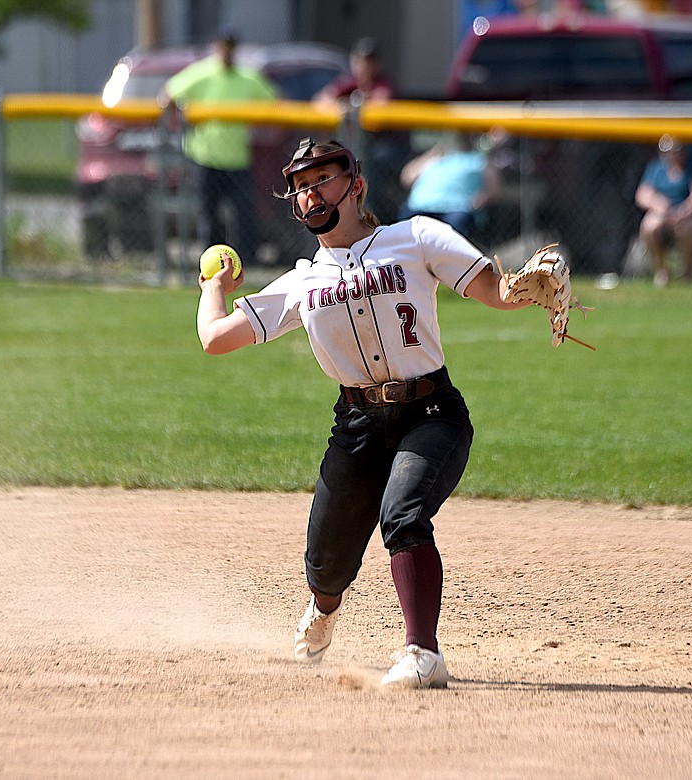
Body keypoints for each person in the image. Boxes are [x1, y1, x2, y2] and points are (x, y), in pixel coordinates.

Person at [195, 138, 535, 689]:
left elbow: (495, 290)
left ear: (355, 185)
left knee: (402, 514)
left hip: (430, 412)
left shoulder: (415, 238)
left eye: (322, 180)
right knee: (325, 566)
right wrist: (213, 287)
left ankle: (424, 654)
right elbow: (214, 339)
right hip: (356, 427)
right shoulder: (303, 281)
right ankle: (325, 609)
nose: (310, 195)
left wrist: (529, 289)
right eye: (300, 188)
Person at [163, 28, 277, 266]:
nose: (227, 51)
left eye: (231, 46)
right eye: (223, 46)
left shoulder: (247, 77)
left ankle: (247, 260)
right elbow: (168, 95)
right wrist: (177, 124)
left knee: (244, 213)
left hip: (237, 158)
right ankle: (210, 262)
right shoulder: (201, 73)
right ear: (215, 47)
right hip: (206, 157)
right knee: (209, 215)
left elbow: (274, 101)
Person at [313, 38, 409, 220]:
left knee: (371, 164)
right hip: (359, 150)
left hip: (389, 151)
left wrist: (351, 104)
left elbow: (382, 102)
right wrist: (347, 103)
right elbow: (321, 99)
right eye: (361, 60)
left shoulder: (383, 83)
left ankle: (372, 215)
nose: (366, 66)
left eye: (370, 61)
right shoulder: (350, 83)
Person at [634, 134, 692, 287]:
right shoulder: (657, 167)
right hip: (664, 213)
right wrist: (660, 205)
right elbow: (642, 194)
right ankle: (662, 271)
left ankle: (688, 274)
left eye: (675, 150)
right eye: (667, 151)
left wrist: (683, 211)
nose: (671, 154)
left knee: (687, 227)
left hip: (688, 214)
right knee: (649, 226)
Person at [397, 132, 502, 242]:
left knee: (455, 226)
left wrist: (478, 202)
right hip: (420, 207)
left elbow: (493, 189)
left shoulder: (478, 159)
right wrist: (429, 155)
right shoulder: (434, 157)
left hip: (456, 210)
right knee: (408, 225)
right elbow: (406, 178)